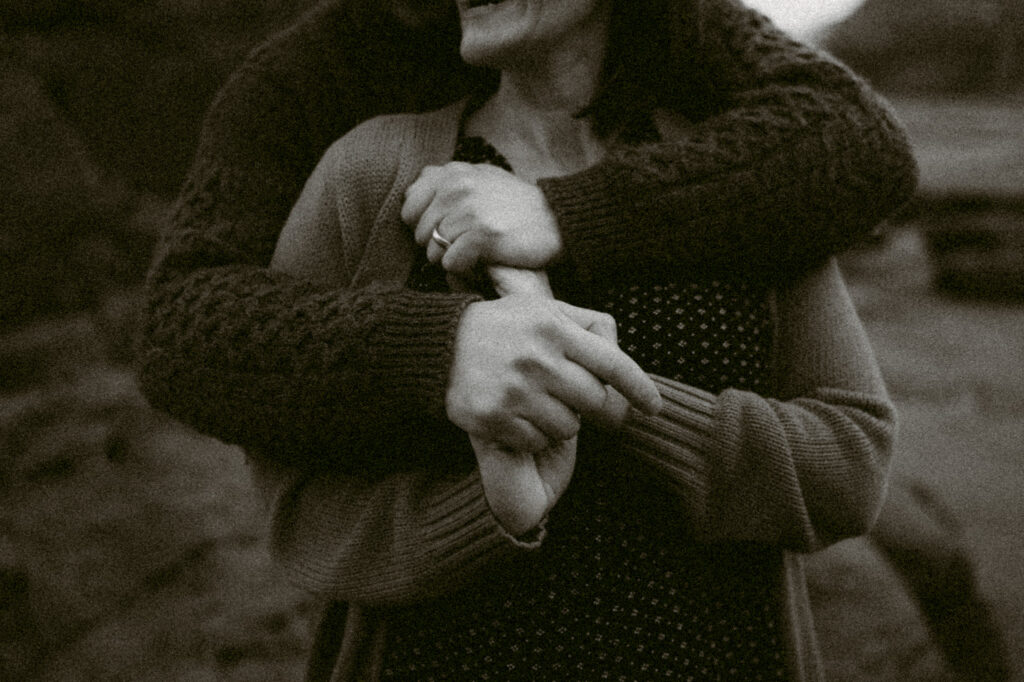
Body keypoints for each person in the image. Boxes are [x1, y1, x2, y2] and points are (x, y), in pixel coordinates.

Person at [135, 0, 917, 680]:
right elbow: (200, 351)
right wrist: (448, 371)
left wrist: (609, 369)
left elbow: (848, 461)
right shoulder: (350, 141)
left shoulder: (746, 170)